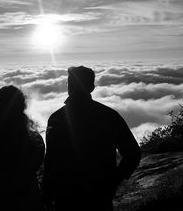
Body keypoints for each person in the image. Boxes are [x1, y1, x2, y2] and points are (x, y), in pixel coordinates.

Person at [42, 66, 141, 211]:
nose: (71, 86)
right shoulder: (109, 115)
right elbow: (133, 154)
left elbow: (51, 161)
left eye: (71, 83)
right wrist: (113, 181)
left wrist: (46, 194)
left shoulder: (56, 119)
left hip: (66, 197)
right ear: (92, 87)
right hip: (99, 197)